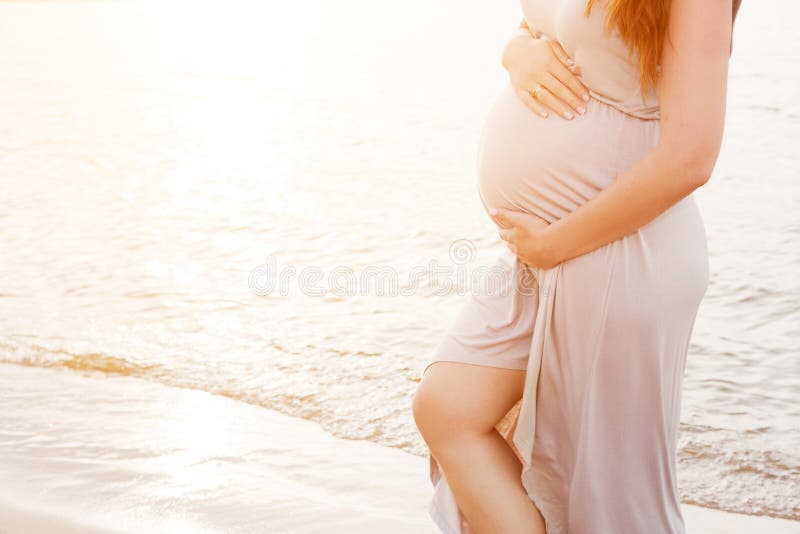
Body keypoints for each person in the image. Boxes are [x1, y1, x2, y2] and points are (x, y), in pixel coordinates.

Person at [412, 0, 742, 533]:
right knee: (447, 408)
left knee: (609, 505)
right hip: (542, 252)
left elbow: (692, 155)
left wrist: (554, 245)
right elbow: (549, 25)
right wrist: (515, 51)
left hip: (621, 252)